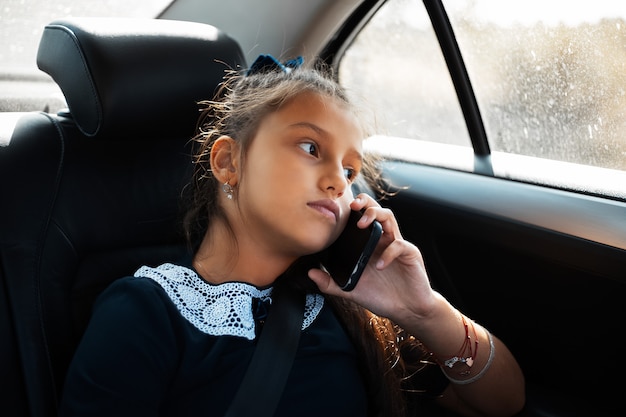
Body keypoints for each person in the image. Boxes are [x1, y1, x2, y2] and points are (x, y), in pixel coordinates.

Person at [59, 55, 525, 417]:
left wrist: (425, 312)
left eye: (349, 170)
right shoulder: (145, 313)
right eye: (310, 147)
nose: (340, 182)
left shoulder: (350, 312)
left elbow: (504, 401)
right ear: (228, 162)